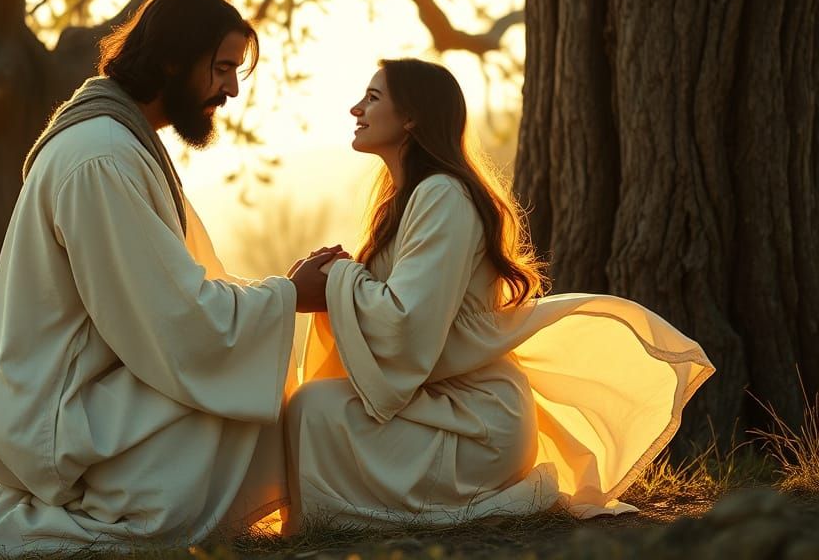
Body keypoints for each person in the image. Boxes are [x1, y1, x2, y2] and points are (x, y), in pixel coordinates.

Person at [0, 0, 337, 557]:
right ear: (169, 60)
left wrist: (281, 294)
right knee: (167, 517)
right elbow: (173, 321)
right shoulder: (101, 157)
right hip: (59, 414)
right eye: (222, 67)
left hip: (95, 389)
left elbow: (177, 297)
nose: (232, 88)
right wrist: (286, 297)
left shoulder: (122, 142)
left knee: (245, 386)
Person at [284, 58, 715, 530]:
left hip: (477, 422)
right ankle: (331, 518)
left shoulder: (443, 195)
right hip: (437, 404)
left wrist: (338, 278)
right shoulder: (402, 201)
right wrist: (336, 279)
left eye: (372, 98)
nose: (355, 109)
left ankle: (339, 520)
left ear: (411, 117)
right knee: (311, 405)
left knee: (313, 409)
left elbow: (407, 324)